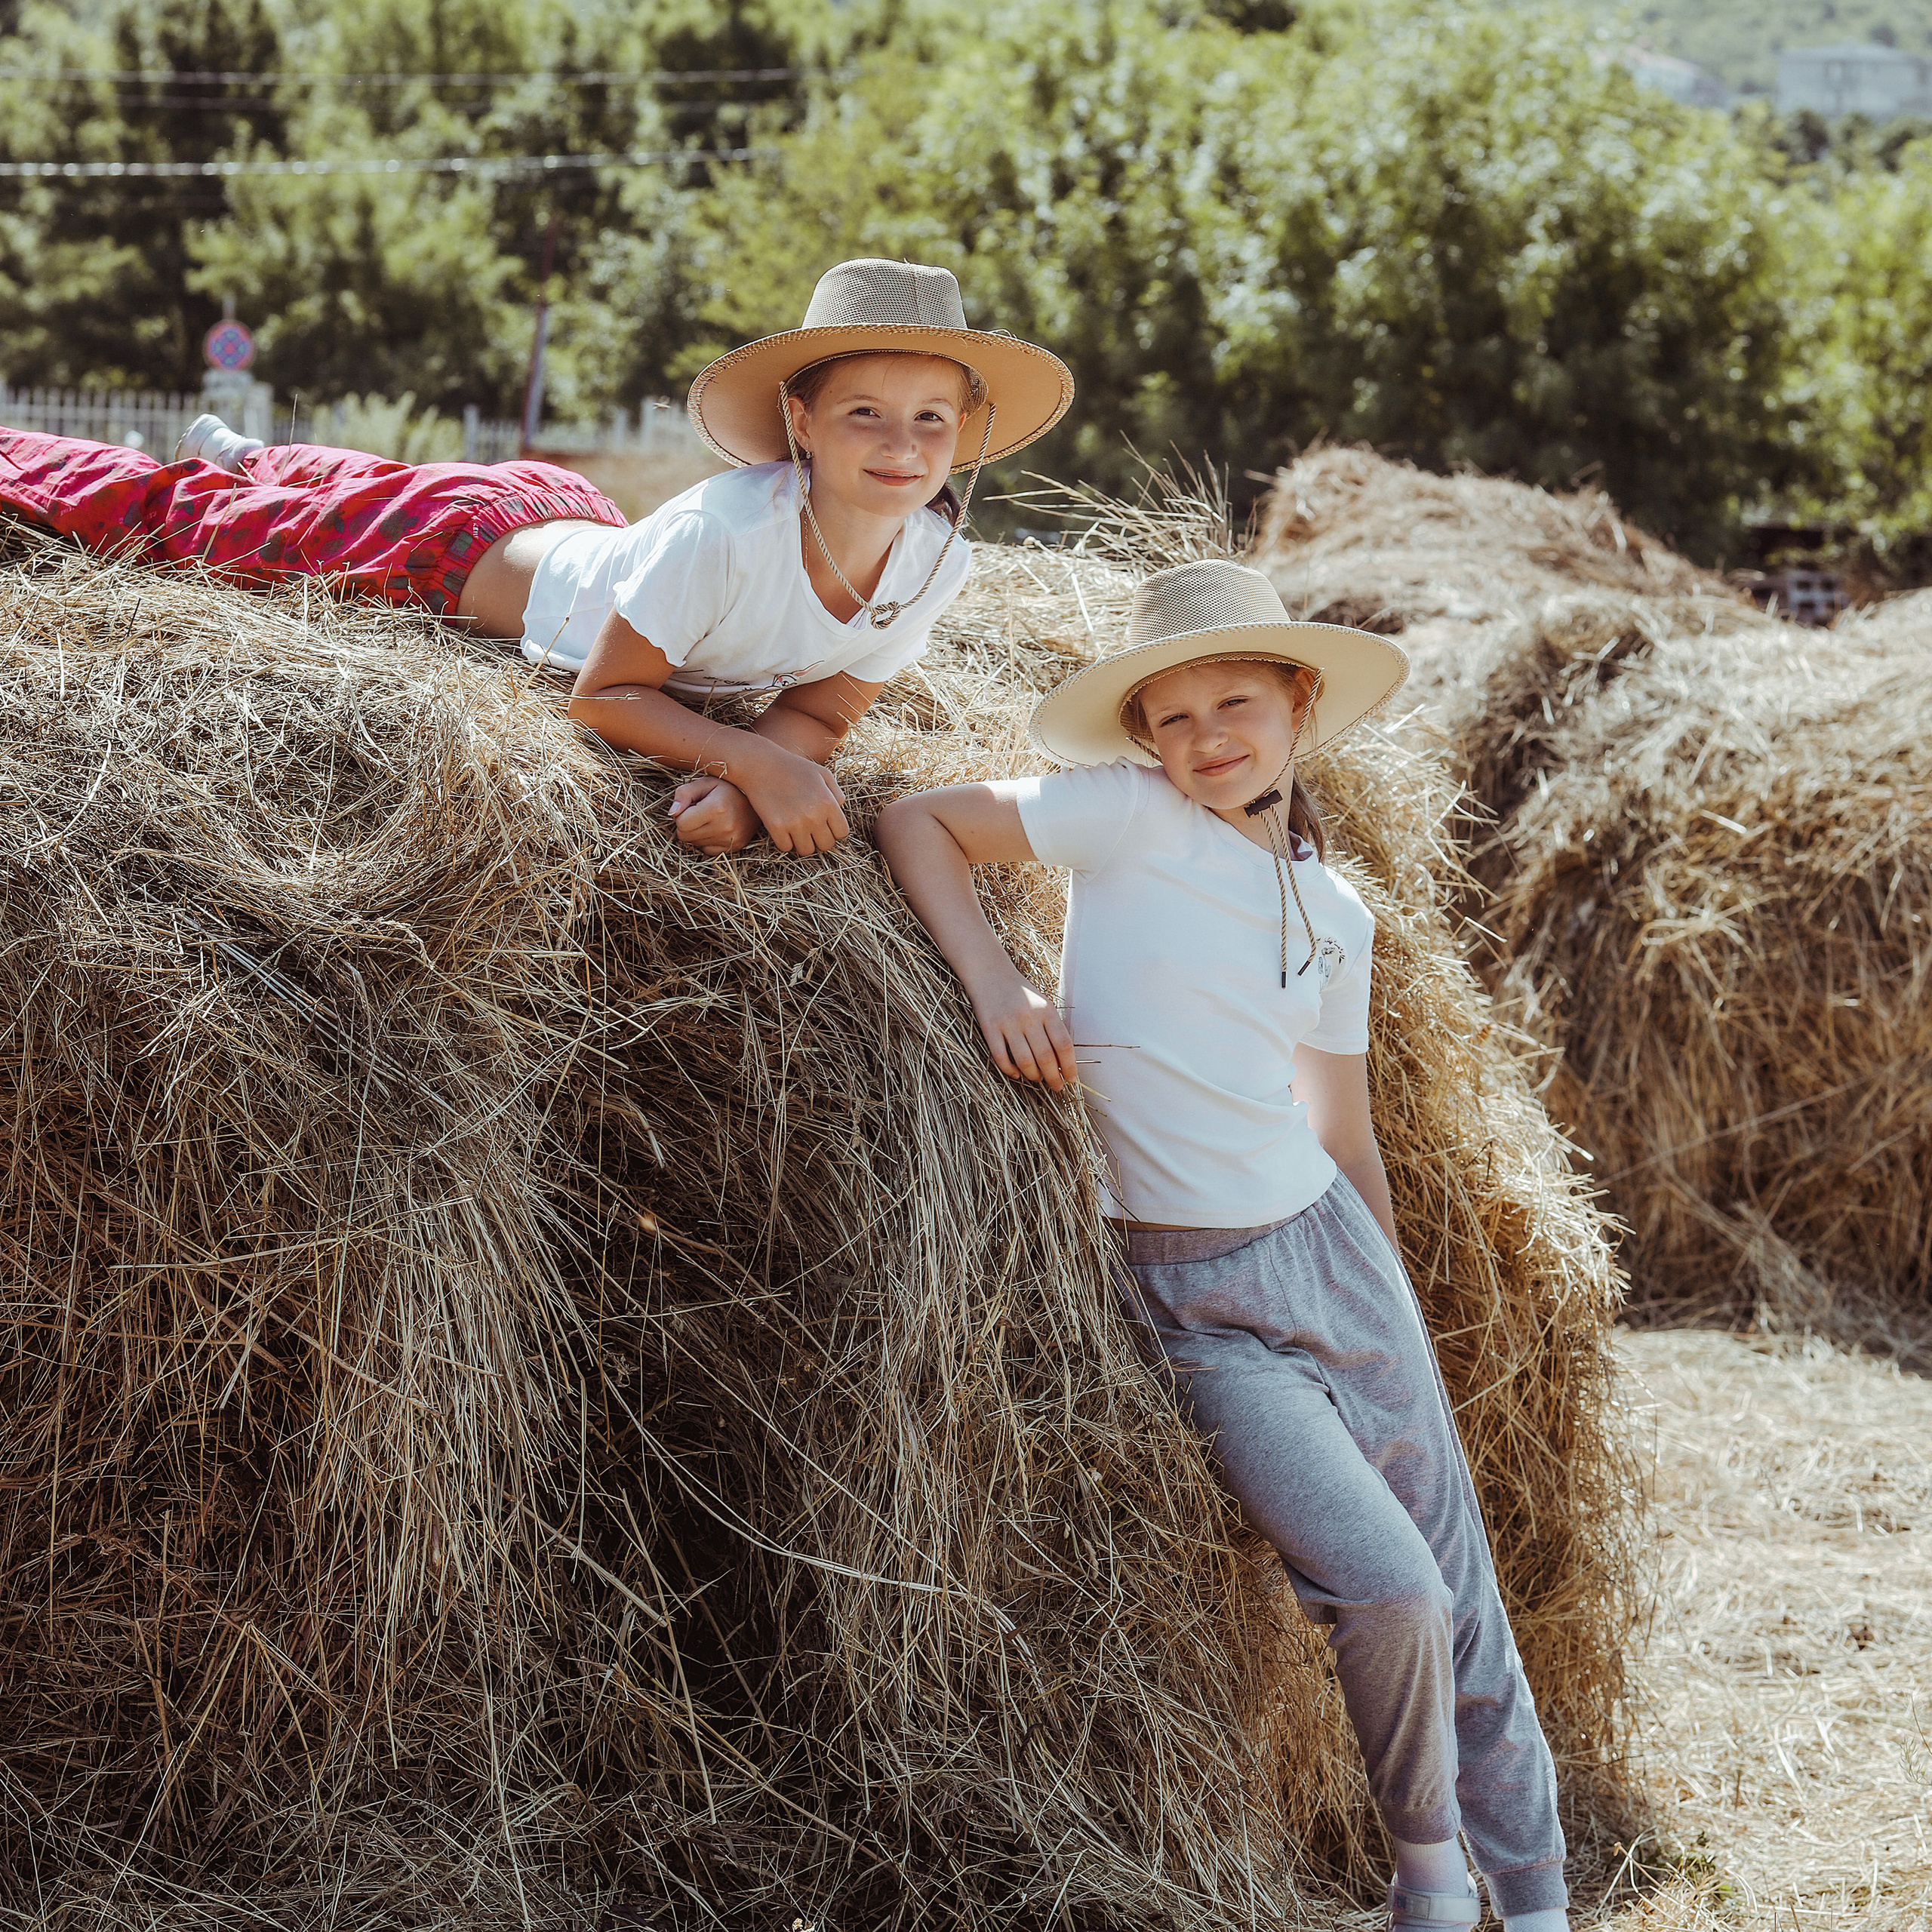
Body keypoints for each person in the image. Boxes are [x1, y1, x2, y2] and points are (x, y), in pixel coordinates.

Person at [872, 560, 1571, 1932]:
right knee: (1389, 1594)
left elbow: (1344, 1127)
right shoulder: (1126, 819)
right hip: (1191, 1293)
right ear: (1142, 739)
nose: (1208, 739)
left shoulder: (1339, 913)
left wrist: (1397, 1313)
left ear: (1299, 703)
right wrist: (999, 981)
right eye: (1176, 717)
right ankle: (1427, 1865)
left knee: (1464, 1589)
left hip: (1335, 1262)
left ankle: (1535, 1899)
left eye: (1236, 703)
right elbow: (918, 823)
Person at [0, 258, 1073, 857]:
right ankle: (117, 462)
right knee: (166, 519)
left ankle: (255, 455)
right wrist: (749, 762)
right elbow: (605, 698)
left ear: (968, 431)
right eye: (865, 413)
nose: (902, 446)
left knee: (334, 480)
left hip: (568, 522)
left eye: (933, 419)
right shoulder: (729, 532)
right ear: (800, 418)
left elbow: (825, 718)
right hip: (450, 557)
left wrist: (767, 777)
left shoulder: (938, 562)